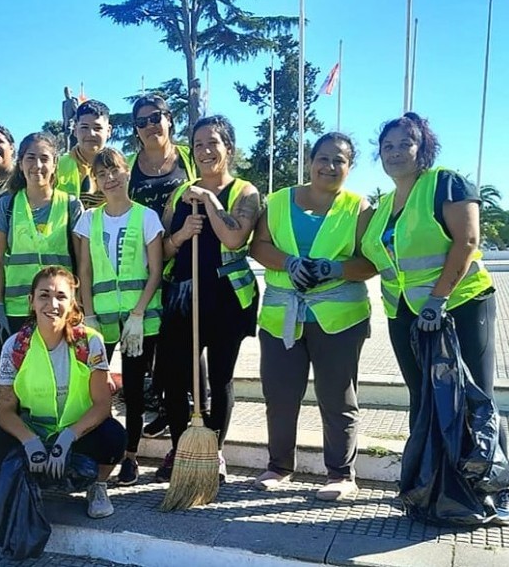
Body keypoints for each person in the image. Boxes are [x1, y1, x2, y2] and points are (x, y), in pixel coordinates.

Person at [360, 112, 507, 523]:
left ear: (422, 147)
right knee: (426, 402)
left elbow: (468, 240)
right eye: (387, 147)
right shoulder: (386, 203)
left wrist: (439, 299)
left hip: (458, 305)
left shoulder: (446, 183)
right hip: (404, 314)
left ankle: (495, 489)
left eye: (403, 144)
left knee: (474, 399)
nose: (394, 153)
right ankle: (434, 490)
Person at [250, 133, 374, 500]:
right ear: (310, 160)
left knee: (337, 396)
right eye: (323, 158)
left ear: (350, 167)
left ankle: (340, 473)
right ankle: (278, 466)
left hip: (340, 321)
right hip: (281, 318)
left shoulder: (360, 208)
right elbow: (258, 245)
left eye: (339, 160)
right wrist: (289, 263)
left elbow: (370, 263)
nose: (330, 166)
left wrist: (332, 268)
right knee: (280, 395)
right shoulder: (277, 201)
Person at [154, 115, 260, 482]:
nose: (204, 151)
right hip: (183, 293)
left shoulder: (244, 192)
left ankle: (214, 452)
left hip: (225, 296)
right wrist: (182, 234)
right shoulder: (178, 196)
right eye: (198, 144)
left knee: (220, 376)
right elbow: (165, 250)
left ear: (228, 148)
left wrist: (209, 199)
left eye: (212, 142)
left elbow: (234, 239)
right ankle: (181, 448)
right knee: (174, 374)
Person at [0, 265, 126, 518]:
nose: (52, 304)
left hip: (76, 430)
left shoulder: (89, 342)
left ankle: (97, 486)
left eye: (61, 296)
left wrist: (68, 437)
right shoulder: (16, 346)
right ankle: (19, 478)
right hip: (34, 427)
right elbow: (5, 407)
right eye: (44, 295)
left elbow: (102, 405)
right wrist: (29, 440)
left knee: (114, 437)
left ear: (72, 303)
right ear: (31, 301)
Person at [75, 148, 163, 486]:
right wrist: (90, 317)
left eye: (115, 170)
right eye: (102, 173)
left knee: (135, 393)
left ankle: (130, 456)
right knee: (93, 386)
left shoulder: (146, 217)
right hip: (101, 322)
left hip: (139, 321)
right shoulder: (89, 219)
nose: (109, 178)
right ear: (95, 181)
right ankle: (94, 448)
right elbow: (83, 268)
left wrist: (139, 313)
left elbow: (155, 270)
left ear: (127, 173)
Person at [126, 94, 198, 438]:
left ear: (169, 119)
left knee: (183, 347)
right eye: (141, 122)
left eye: (155, 117)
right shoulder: (127, 168)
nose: (150, 125)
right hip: (144, 269)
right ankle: (166, 409)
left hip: (186, 265)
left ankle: (191, 408)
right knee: (154, 346)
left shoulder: (189, 157)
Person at [0, 132, 84, 340]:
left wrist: (80, 304)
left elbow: (82, 262)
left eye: (44, 158)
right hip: (17, 310)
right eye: (30, 158)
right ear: (21, 163)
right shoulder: (6, 206)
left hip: (59, 309)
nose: (37, 165)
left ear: (54, 163)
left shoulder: (71, 205)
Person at [56, 99, 113, 208]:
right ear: (75, 130)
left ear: (109, 131)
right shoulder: (57, 166)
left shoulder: (122, 166)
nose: (91, 134)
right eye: (84, 127)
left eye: (97, 128)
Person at [62, 86, 79, 151]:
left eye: (67, 91)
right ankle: (67, 150)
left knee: (68, 135)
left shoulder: (72, 101)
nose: (66, 93)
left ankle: (68, 150)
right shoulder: (64, 103)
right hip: (66, 122)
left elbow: (77, 111)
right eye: (65, 92)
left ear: (70, 92)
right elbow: (64, 114)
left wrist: (72, 119)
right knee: (66, 136)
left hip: (72, 122)